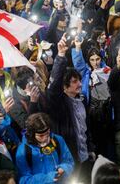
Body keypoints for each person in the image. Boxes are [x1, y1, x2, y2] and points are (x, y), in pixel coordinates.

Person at [47, 34, 95, 182]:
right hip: (70, 160)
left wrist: (91, 148)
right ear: (65, 86)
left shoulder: (81, 100)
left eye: (79, 80)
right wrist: (61, 56)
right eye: (74, 82)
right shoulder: (59, 103)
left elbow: (85, 128)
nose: (79, 84)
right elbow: (53, 89)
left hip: (85, 157)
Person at [15, 113, 74, 183]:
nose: (46, 137)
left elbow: (69, 161)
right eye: (41, 135)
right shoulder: (22, 151)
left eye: (48, 132)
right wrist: (48, 178)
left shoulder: (58, 140)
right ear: (32, 135)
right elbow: (24, 180)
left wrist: (64, 168)